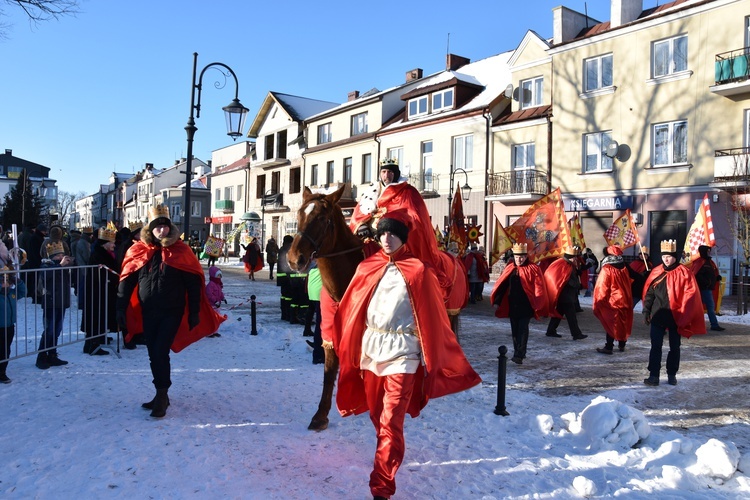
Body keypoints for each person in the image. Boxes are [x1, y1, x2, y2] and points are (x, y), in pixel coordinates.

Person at [334, 210, 481, 500]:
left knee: (390, 422)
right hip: (372, 352)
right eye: (383, 233)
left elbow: (435, 316)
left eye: (393, 233)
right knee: (378, 416)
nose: (386, 239)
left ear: (403, 236)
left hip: (404, 354)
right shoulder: (367, 267)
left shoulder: (419, 271)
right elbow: (351, 309)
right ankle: (387, 453)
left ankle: (381, 487)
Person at [116, 205, 225, 418]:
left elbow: (193, 283)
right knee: (152, 353)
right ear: (151, 229)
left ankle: (163, 395)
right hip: (148, 310)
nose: (162, 230)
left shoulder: (180, 250)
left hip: (172, 311)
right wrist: (120, 307)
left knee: (159, 351)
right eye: (158, 226)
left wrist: (194, 311)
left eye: (165, 226)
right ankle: (160, 393)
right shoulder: (139, 250)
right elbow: (126, 281)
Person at [642, 240, 706, 386]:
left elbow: (690, 296)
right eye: (664, 255)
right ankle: (654, 375)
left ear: (675, 257)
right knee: (655, 346)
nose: (666, 258)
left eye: (669, 256)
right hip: (657, 316)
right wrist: (646, 311)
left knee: (675, 347)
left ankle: (672, 374)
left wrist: (685, 315)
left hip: (676, 318)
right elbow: (649, 294)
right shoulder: (657, 272)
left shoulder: (684, 272)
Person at [490, 242, 547, 364]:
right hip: (513, 304)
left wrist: (538, 303)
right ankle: (517, 350)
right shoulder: (510, 268)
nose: (519, 259)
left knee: (523, 329)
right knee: (515, 330)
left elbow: (539, 287)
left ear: (526, 256)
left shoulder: (533, 269)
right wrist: (497, 301)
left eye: (521, 257)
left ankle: (520, 354)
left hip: (526, 305)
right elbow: (503, 285)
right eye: (516, 257)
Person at [81, 224, 119, 356]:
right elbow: (102, 274)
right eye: (112, 243)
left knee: (101, 316)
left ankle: (98, 339)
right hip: (98, 291)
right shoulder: (98, 255)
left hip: (104, 290)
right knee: (96, 316)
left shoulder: (105, 253)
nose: (114, 245)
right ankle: (92, 344)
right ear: (105, 244)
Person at [36, 242, 74, 370]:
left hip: (61, 302)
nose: (62, 257)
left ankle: (52, 354)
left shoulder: (61, 266)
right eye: (59, 255)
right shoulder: (46, 265)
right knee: (49, 330)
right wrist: (60, 265)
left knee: (57, 330)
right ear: (53, 256)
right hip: (50, 302)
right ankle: (41, 356)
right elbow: (46, 276)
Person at [593, 245, 634, 354]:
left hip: (613, 300)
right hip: (625, 298)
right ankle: (622, 344)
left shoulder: (607, 268)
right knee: (622, 322)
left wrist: (599, 301)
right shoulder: (624, 266)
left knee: (611, 323)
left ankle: (609, 346)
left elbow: (602, 286)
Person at [544, 246, 588, 340]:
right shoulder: (564, 265)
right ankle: (576, 334)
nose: (575, 258)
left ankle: (550, 331)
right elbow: (565, 280)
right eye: (574, 257)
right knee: (571, 316)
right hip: (566, 296)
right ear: (569, 257)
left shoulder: (567, 264)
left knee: (558, 314)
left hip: (564, 295)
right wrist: (577, 285)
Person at [0, 265, 26, 383]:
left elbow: (23, 292)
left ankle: (2, 371)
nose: (7, 284)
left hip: (10, 326)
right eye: (3, 281)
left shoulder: (11, 294)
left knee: (6, 349)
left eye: (8, 281)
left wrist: (18, 281)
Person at [690, 245, 725, 332]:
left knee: (703, 307)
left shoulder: (709, 262)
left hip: (707, 288)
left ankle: (693, 323)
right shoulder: (701, 262)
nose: (710, 252)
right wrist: (707, 283)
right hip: (703, 289)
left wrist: (716, 278)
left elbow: (710, 274)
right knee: (708, 307)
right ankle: (713, 324)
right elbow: (697, 275)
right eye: (708, 251)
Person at [304, 259, 325, 364]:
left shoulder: (312, 262)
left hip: (312, 293)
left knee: (318, 322)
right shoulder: (322, 261)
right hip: (320, 294)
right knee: (321, 325)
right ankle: (319, 354)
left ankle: (317, 345)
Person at [72, 227, 94, 309]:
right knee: (83, 285)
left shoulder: (82, 241)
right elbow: (86, 256)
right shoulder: (84, 243)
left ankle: (82, 302)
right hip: (83, 266)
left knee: (82, 285)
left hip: (82, 265)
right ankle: (82, 303)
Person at [205, 265, 227, 338]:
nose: (219, 277)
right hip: (212, 305)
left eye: (220, 276)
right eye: (218, 275)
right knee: (211, 319)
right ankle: (209, 332)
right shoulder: (211, 285)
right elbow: (209, 294)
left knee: (217, 319)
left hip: (217, 305)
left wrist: (223, 298)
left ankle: (215, 331)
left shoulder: (218, 284)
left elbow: (220, 292)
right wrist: (215, 301)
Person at [276, 235, 294, 321]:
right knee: (289, 297)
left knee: (284, 296)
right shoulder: (288, 250)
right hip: (287, 277)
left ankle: (284, 314)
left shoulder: (281, 249)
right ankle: (288, 315)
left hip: (281, 277)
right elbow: (288, 265)